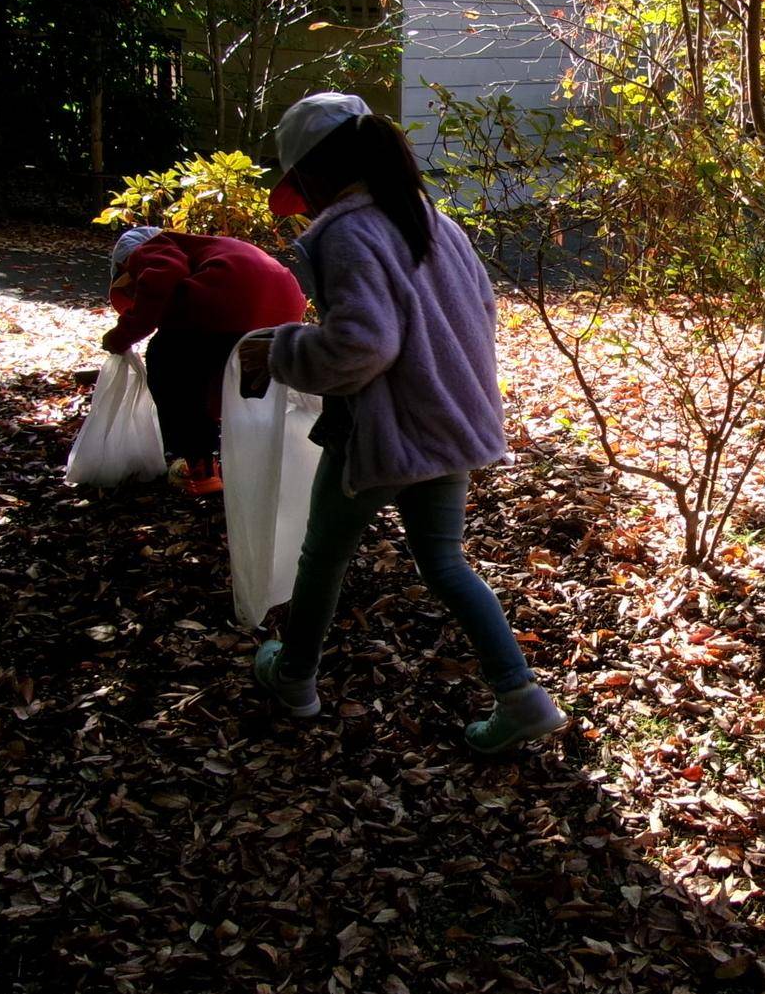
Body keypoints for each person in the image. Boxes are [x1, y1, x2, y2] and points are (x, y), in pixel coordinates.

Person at [234, 92, 566, 754]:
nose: (305, 203)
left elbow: (363, 345)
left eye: (300, 186)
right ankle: (521, 696)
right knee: (444, 561)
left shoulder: (350, 232)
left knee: (323, 557)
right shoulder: (433, 221)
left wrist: (282, 351)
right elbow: (473, 318)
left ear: (319, 175)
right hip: (448, 426)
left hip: (384, 435)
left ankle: (295, 677)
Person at [103, 226, 307, 495]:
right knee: (244, 383)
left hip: (223, 304)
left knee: (169, 363)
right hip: (284, 311)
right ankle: (258, 466)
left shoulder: (152, 246)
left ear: (124, 262)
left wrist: (121, 336)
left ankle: (200, 470)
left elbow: (160, 280)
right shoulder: (214, 246)